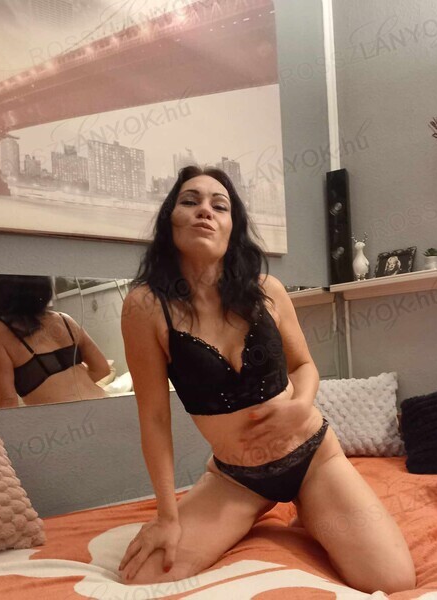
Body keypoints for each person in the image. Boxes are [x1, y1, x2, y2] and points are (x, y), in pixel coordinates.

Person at [118, 166, 416, 593]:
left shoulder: (267, 290)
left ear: (232, 226)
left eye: (219, 206)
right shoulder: (144, 307)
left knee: (393, 579)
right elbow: (154, 419)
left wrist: (300, 405)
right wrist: (167, 517)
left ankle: (310, 510)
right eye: (190, 201)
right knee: (143, 577)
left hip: (313, 459)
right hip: (236, 478)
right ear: (170, 219)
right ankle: (256, 510)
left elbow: (305, 366)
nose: (205, 211)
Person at [0, 274, 111, 408]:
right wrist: (70, 390)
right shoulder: (64, 319)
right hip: (104, 405)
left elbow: (7, 401)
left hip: (66, 416)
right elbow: (102, 368)